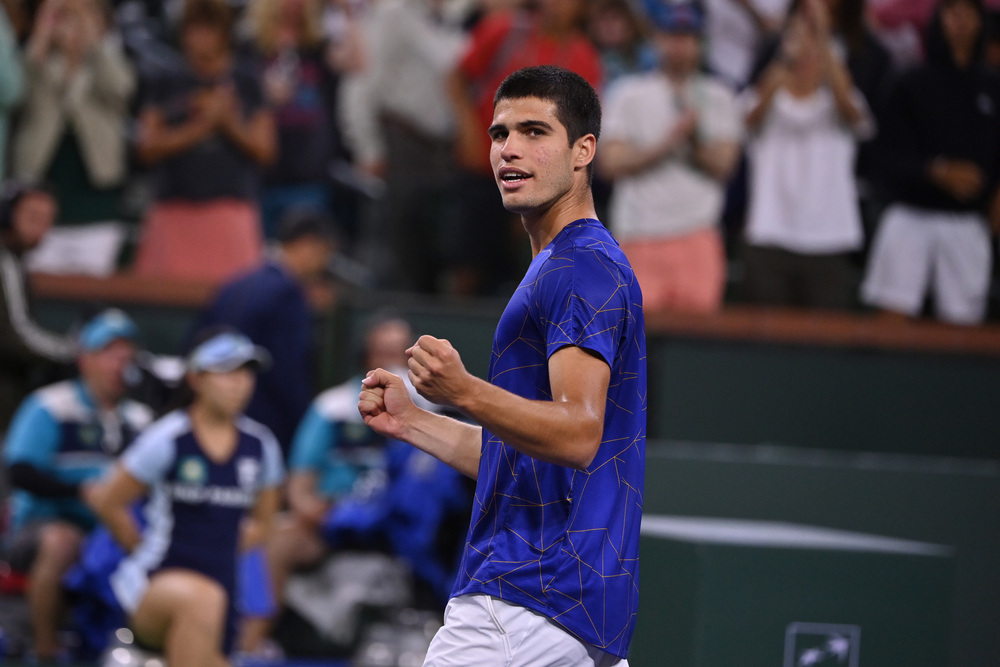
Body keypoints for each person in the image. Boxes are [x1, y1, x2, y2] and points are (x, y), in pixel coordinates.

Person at [359, 65, 646, 666]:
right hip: (575, 610)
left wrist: (464, 391)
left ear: (582, 151)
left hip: (524, 599)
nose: (509, 149)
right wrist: (415, 421)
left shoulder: (579, 269)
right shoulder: (566, 264)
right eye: (498, 133)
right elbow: (521, 459)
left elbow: (577, 433)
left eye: (536, 132)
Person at [237, 314, 440, 654]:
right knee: (274, 539)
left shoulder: (435, 412)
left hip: (403, 529)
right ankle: (252, 644)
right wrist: (328, 518)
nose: (392, 364)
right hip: (333, 522)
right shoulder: (332, 408)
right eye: (382, 354)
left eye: (400, 355)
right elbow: (299, 488)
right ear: (366, 359)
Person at [87, 328, 284, 667]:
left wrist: (218, 546)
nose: (239, 382)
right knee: (201, 599)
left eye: (246, 372)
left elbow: (264, 525)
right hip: (153, 586)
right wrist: (141, 548)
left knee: (207, 610)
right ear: (196, 378)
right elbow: (108, 501)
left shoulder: (261, 446)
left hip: (222, 590)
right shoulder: (167, 438)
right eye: (227, 371)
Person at [1, 308, 152, 662]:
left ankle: (132, 647)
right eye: (108, 353)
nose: (119, 362)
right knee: (61, 542)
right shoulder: (50, 406)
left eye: (125, 353)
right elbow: (20, 472)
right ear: (85, 360)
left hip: (115, 528)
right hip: (42, 525)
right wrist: (79, 492)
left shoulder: (140, 418)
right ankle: (47, 652)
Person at [446, 0, 602, 296]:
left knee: (522, 272)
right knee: (466, 267)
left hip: (535, 180)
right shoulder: (505, 29)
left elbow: (579, 130)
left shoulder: (584, 57)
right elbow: (456, 79)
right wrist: (467, 130)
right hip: (481, 166)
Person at [861, 0, 1000, 325]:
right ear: (938, 20)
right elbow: (884, 156)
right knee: (892, 318)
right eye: (952, 13)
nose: (961, 22)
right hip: (910, 215)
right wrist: (936, 171)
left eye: (969, 13)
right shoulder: (909, 82)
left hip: (967, 220)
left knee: (962, 326)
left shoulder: (993, 87)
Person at [598, 2, 742, 315]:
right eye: (672, 36)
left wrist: (693, 141)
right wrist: (667, 142)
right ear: (657, 40)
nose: (679, 45)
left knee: (697, 344)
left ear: (700, 43)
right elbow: (610, 163)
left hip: (697, 233)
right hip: (639, 232)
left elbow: (725, 164)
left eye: (688, 37)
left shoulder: (720, 95)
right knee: (634, 341)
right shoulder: (628, 93)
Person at [739, 0, 875, 309]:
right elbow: (748, 118)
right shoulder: (769, 92)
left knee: (828, 346)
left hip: (830, 239)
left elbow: (853, 113)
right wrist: (784, 55)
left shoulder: (840, 96)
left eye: (814, 42)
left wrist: (824, 36)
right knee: (765, 342)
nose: (806, 49)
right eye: (800, 38)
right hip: (769, 235)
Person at [131, 0, 276, 283]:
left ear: (224, 34)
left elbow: (265, 150)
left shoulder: (246, 81)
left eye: (208, 30)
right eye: (193, 29)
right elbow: (146, 147)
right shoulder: (167, 80)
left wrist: (227, 122)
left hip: (230, 211)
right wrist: (200, 128)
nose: (199, 39)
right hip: (174, 210)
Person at [194, 209, 336, 452]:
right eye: (324, 254)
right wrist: (303, 422)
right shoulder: (288, 293)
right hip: (267, 425)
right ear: (308, 244)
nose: (323, 265)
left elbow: (195, 344)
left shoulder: (235, 283)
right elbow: (288, 370)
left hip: (214, 417)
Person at [11, 0, 136, 224]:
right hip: (42, 182)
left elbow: (122, 90)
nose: (71, 26)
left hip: (94, 186)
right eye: (64, 18)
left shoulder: (106, 60)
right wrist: (42, 31)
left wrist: (93, 42)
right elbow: (17, 94)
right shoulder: (38, 60)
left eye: (78, 18)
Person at [0, 180, 75, 433]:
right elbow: (16, 335)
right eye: (32, 217)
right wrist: (73, 352)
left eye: (47, 220)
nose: (40, 229)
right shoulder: (5, 261)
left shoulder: (14, 261)